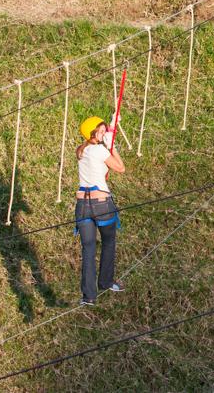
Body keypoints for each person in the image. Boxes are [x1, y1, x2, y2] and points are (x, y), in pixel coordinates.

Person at [75, 115, 125, 306]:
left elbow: (101, 169)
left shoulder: (81, 151)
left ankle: (88, 296)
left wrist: (111, 128)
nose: (104, 134)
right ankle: (106, 281)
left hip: (82, 206)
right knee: (109, 241)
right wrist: (113, 146)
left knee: (88, 248)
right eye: (101, 131)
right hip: (101, 203)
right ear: (92, 133)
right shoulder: (98, 151)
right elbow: (120, 168)